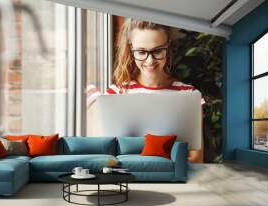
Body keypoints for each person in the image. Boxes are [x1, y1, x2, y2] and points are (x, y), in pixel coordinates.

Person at [87, 18, 204, 163]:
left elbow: (196, 158)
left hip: (172, 179)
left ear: (168, 46)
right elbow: (104, 154)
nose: (150, 61)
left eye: (158, 51)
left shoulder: (189, 95)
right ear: (131, 48)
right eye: (141, 52)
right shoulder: (116, 93)